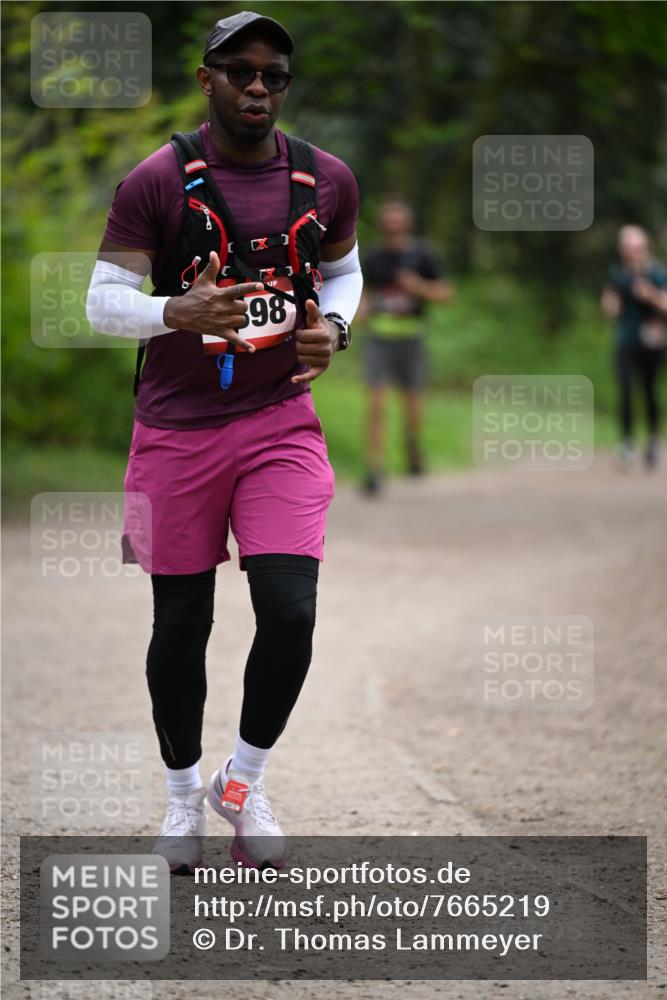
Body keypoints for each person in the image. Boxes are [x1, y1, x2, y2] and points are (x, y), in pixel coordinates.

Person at [85, 10, 362, 873]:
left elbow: (346, 272)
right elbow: (97, 303)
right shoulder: (155, 183)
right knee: (182, 624)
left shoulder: (326, 179)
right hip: (174, 435)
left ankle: (242, 781)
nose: (256, 86)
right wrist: (176, 310)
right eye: (239, 71)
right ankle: (181, 802)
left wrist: (337, 330)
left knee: (290, 611)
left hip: (280, 422)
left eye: (273, 74)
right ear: (205, 79)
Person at [359, 199, 452, 495]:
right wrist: (355, 314)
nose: (393, 228)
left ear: (407, 224)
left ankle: (412, 448)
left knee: (412, 405)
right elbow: (362, 293)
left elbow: (446, 294)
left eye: (398, 223)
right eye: (389, 223)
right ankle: (374, 467)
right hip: (379, 338)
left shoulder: (424, 254)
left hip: (412, 338)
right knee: (376, 403)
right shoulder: (373, 257)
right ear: (382, 226)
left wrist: (419, 287)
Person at [601, 225, 667, 469]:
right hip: (625, 339)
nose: (632, 252)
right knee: (626, 389)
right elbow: (609, 301)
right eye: (628, 248)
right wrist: (610, 305)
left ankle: (651, 441)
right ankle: (627, 442)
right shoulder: (618, 274)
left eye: (636, 247)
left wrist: (650, 295)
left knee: (649, 392)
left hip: (652, 341)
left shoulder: (657, 273)